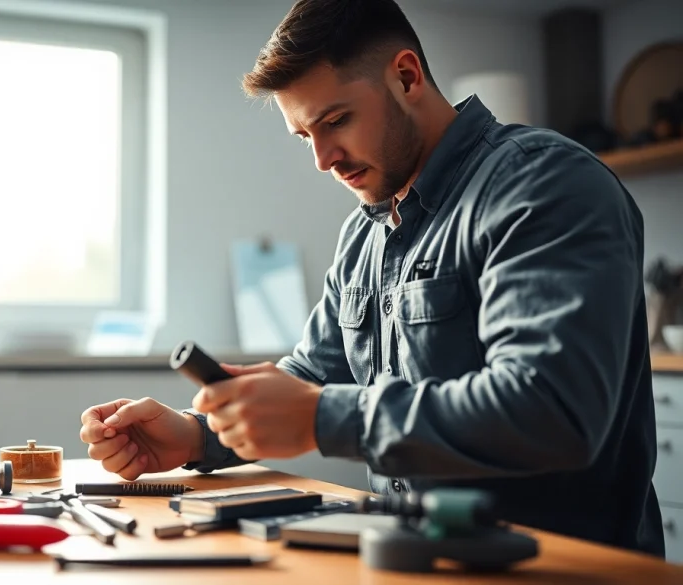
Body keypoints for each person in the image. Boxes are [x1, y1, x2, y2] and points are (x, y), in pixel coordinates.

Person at [78, 0, 664, 558]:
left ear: (407, 76)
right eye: (306, 135)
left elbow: (550, 409)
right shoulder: (366, 233)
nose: (323, 159)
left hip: (559, 571)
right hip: (409, 559)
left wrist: (319, 416)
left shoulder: (543, 186)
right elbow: (312, 374)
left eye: (336, 121)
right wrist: (195, 434)